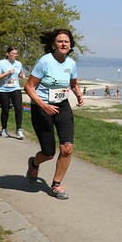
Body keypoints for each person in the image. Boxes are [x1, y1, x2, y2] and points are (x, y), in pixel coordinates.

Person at [24, 28, 84, 200]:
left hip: (62, 107)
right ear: (53, 44)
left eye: (66, 41)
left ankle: (56, 185)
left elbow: (73, 83)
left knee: (67, 148)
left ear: (71, 45)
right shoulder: (45, 62)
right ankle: (34, 163)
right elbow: (29, 87)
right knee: (48, 153)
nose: (63, 44)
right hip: (42, 108)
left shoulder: (71, 64)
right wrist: (43, 105)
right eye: (60, 41)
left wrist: (78, 94)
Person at [0, 46, 26, 139]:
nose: (14, 56)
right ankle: (4, 129)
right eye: (12, 54)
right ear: (7, 54)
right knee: (5, 110)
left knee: (19, 109)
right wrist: (7, 73)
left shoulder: (18, 63)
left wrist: (22, 75)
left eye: (16, 54)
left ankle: (19, 129)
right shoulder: (1, 63)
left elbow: (20, 72)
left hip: (15, 88)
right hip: (3, 90)